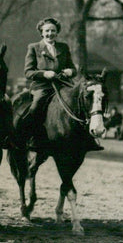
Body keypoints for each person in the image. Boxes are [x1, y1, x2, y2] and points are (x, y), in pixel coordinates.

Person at [20, 17, 102, 151]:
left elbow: (73, 69)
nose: (50, 34)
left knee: (82, 101)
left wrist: (70, 71)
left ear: (57, 32)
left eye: (53, 31)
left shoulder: (63, 47)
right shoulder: (33, 48)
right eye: (47, 31)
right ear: (41, 32)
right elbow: (28, 72)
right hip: (43, 86)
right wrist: (44, 74)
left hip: (63, 85)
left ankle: (89, 139)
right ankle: (34, 138)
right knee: (36, 106)